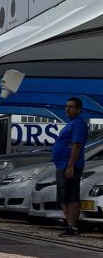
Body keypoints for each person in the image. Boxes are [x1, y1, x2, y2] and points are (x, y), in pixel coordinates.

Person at [52, 97, 88, 236]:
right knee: (63, 196)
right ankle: (69, 225)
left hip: (70, 164)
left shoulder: (78, 124)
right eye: (66, 106)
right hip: (61, 164)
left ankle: (73, 227)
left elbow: (77, 145)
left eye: (71, 107)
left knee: (71, 195)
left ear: (79, 109)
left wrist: (71, 165)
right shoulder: (71, 123)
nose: (67, 109)